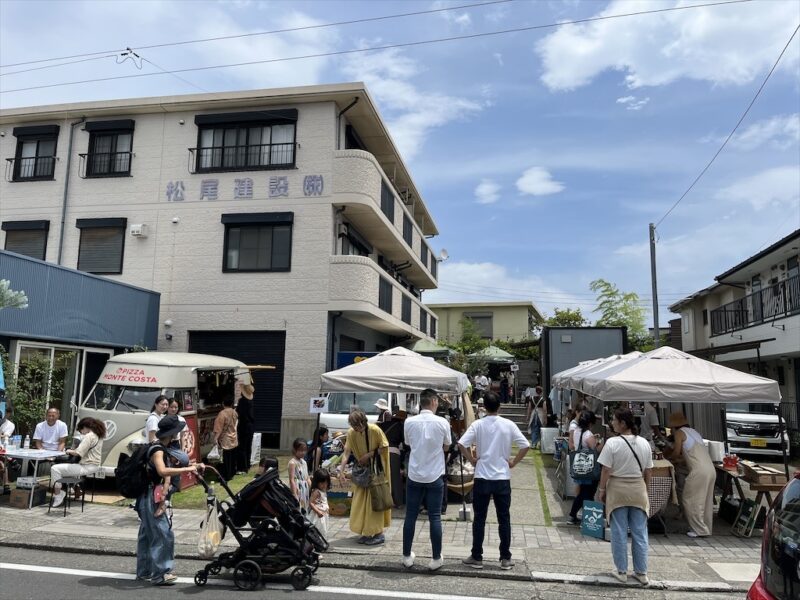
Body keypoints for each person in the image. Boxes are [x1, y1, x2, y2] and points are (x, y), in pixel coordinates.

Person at [458, 392, 530, 570]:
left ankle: (477, 556)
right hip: (502, 477)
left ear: (484, 407)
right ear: (500, 406)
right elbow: (525, 445)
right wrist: (513, 462)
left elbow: (461, 444)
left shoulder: (478, 424)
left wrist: (471, 459)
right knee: (504, 518)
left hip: (482, 476)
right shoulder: (508, 424)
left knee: (479, 518)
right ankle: (505, 557)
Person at [135, 415, 203, 586]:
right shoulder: (158, 450)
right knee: (163, 534)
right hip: (150, 497)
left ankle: (144, 572)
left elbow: (165, 476)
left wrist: (164, 497)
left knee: (147, 535)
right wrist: (188, 468)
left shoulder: (160, 447)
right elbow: (163, 471)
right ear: (172, 433)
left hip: (148, 495)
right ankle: (161, 574)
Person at [596, 407, 653, 585]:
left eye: (614, 420)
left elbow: (606, 470)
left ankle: (621, 570)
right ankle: (641, 572)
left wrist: (601, 489)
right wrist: (645, 489)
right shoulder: (644, 443)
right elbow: (648, 470)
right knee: (640, 532)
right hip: (638, 489)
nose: (612, 423)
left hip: (618, 489)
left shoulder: (612, 443)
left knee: (619, 531)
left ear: (622, 423)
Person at [401, 388, 452, 571]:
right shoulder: (442, 422)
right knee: (435, 517)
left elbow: (408, 443)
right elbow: (447, 445)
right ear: (433, 401)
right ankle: (436, 558)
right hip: (434, 474)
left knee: (410, 515)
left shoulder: (409, 422)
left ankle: (407, 556)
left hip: (415, 473)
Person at [337, 407, 391, 546]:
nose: (355, 429)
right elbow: (346, 452)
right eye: (353, 426)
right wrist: (341, 471)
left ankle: (378, 533)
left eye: (357, 426)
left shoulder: (374, 430)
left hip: (376, 471)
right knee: (361, 503)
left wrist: (368, 455)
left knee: (375, 501)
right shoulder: (351, 432)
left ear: (363, 422)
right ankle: (367, 531)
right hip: (364, 472)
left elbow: (384, 447)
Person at [666, 412, 716, 538]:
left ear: (674, 426)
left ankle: (699, 530)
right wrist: (679, 460)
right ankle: (705, 527)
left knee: (690, 499)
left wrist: (669, 458)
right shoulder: (694, 432)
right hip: (710, 469)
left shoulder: (679, 433)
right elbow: (691, 455)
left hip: (699, 471)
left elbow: (676, 452)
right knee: (705, 501)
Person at [50, 417, 107, 507]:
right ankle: (70, 489)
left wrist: (67, 451)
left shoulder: (89, 436)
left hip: (86, 466)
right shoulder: (98, 435)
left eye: (81, 431)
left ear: (85, 427)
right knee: (65, 470)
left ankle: (58, 494)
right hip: (94, 465)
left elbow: (78, 453)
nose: (82, 433)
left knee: (55, 468)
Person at [568, 410, 601, 525]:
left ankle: (574, 516)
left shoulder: (576, 431)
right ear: (590, 423)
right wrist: (601, 442)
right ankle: (588, 521)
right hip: (589, 469)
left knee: (583, 492)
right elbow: (595, 450)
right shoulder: (588, 434)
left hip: (579, 466)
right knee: (588, 493)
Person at [379, 413, 405, 508]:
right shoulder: (400, 426)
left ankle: (382, 501)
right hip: (393, 452)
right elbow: (405, 442)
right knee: (395, 478)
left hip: (381, 452)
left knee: (382, 477)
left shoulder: (381, 425)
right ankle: (397, 502)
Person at [213, 396, 238, 481]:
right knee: (232, 458)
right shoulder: (234, 412)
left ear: (223, 403)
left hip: (225, 439)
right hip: (233, 437)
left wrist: (215, 439)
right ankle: (232, 473)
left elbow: (218, 429)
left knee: (225, 459)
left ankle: (226, 475)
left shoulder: (222, 413)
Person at [236, 383, 256, 474]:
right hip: (251, 426)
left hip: (244, 426)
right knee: (248, 446)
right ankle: (247, 465)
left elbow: (239, 413)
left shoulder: (242, 401)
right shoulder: (251, 401)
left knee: (242, 447)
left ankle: (242, 467)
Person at [288, 437, 311, 512]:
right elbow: (292, 480)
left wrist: (312, 488)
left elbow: (307, 477)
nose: (303, 452)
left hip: (305, 489)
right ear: (295, 450)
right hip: (297, 488)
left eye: (305, 450)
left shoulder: (304, 462)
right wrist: (294, 494)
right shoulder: (292, 463)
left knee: (304, 508)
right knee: (297, 509)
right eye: (301, 450)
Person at [308, 468, 331, 539]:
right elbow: (311, 503)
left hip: (324, 514)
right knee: (318, 529)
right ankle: (317, 540)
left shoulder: (323, 490)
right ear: (317, 482)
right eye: (322, 483)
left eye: (326, 483)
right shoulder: (316, 492)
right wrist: (318, 511)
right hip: (317, 515)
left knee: (324, 529)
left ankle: (322, 540)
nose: (324, 485)